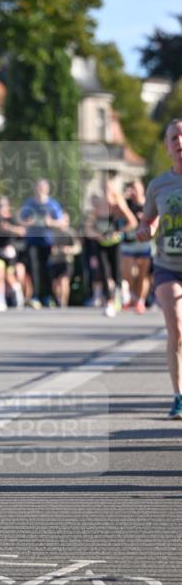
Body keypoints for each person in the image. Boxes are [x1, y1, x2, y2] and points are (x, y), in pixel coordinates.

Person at [138, 119, 182, 418]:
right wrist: (146, 229)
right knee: (176, 328)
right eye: (174, 137)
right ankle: (179, 395)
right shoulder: (158, 185)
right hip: (168, 264)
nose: (179, 141)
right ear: (167, 147)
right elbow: (147, 220)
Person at [84, 175, 137, 317]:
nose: (106, 191)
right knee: (104, 272)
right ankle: (109, 302)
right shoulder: (96, 205)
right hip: (101, 243)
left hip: (115, 243)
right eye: (104, 188)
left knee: (116, 272)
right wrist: (97, 234)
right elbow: (88, 228)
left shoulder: (118, 204)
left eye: (109, 188)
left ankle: (121, 289)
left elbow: (132, 222)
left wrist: (119, 232)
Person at [19, 178, 66, 308]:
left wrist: (51, 222)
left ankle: (49, 296)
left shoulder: (53, 204)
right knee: (34, 269)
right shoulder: (29, 203)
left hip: (47, 242)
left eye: (43, 187)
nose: (40, 190)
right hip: (32, 241)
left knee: (48, 269)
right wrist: (28, 222)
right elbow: (21, 220)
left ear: (47, 189)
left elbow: (62, 223)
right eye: (38, 187)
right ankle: (35, 296)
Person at [0, 196, 27, 311]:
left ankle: (17, 291)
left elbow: (22, 232)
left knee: (9, 276)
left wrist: (9, 228)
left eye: (3, 205)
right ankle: (0, 300)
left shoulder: (12, 220)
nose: (1, 208)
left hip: (10, 253)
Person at [122, 179, 152, 313]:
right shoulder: (126, 203)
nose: (134, 191)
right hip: (128, 244)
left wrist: (145, 219)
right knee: (128, 274)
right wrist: (123, 195)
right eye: (131, 188)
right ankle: (133, 296)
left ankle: (140, 300)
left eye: (136, 188)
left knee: (142, 275)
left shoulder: (148, 203)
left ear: (142, 189)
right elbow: (115, 208)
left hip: (143, 243)